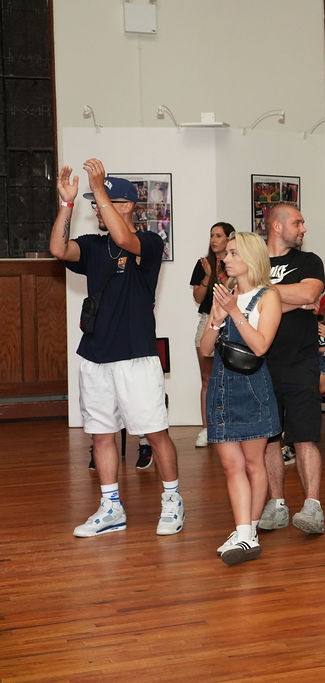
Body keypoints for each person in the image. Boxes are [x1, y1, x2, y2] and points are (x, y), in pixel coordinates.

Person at [49, 159, 183, 538]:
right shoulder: (93, 246)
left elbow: (125, 240)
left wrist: (100, 189)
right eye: (94, 203)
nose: (97, 209)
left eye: (104, 202)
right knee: (101, 435)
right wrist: (67, 203)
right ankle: (111, 507)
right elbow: (58, 248)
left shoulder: (150, 243)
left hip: (136, 356)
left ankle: (172, 499)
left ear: (127, 206)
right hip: (94, 356)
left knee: (155, 432)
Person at [198, 232, 282, 565]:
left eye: (233, 253)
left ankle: (248, 533)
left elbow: (260, 346)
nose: (226, 258)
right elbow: (205, 350)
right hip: (221, 387)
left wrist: (234, 312)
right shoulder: (225, 295)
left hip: (252, 388)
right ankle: (243, 530)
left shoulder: (268, 297)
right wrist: (216, 320)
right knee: (230, 465)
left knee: (252, 463)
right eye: (227, 253)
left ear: (251, 257)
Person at [256, 203, 325, 536]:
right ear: (277, 226)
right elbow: (243, 302)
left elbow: (310, 292)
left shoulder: (309, 261)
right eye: (297, 223)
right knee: (270, 438)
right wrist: (292, 301)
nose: (303, 228)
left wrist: (263, 293)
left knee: (304, 436)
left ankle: (312, 506)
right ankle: (277, 504)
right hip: (261, 364)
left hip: (301, 362)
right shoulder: (253, 261)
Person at [190, 221, 236, 448]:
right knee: (207, 378)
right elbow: (198, 297)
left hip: (233, 319)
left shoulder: (236, 262)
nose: (214, 240)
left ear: (229, 238)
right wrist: (208, 275)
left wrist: (217, 274)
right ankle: (207, 428)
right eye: (211, 235)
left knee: (231, 377)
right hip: (208, 318)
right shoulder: (203, 263)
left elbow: (230, 291)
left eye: (218, 235)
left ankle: (231, 425)